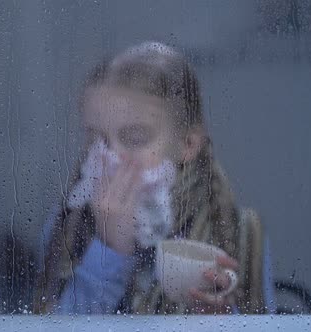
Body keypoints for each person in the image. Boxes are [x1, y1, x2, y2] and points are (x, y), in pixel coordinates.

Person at [34, 42, 268, 315]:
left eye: (134, 138)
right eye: (95, 138)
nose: (111, 156)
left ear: (188, 144)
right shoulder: (66, 223)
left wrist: (218, 318)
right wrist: (110, 248)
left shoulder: (237, 229)